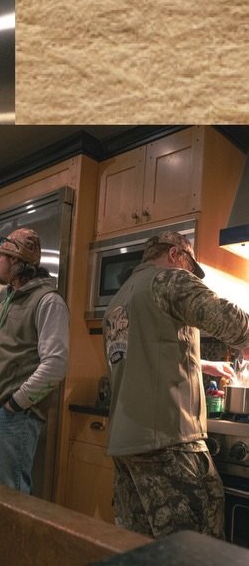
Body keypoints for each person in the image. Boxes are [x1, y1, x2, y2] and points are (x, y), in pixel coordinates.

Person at [103, 230, 249, 539]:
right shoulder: (169, 279)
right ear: (175, 256)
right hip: (167, 441)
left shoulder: (122, 296)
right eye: (190, 268)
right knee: (192, 547)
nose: (189, 276)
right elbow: (230, 321)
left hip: (126, 444)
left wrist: (203, 364)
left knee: (139, 547)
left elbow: (145, 352)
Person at [0, 227, 69, 493]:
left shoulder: (48, 301)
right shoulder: (5, 301)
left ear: (19, 263)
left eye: (1, 257)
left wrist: (16, 403)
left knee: (10, 492)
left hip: (12, 415)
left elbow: (56, 364)